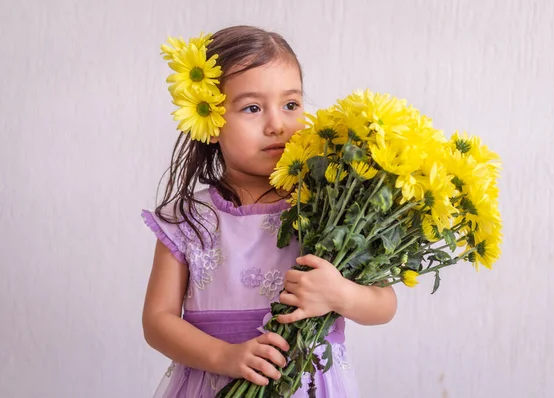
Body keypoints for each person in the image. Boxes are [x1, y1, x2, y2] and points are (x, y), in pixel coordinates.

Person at [141, 25, 397, 397]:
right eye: (253, 108)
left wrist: (339, 293)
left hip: (308, 385)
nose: (277, 124)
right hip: (212, 381)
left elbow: (384, 304)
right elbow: (157, 321)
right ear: (210, 119)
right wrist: (226, 356)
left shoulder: (328, 208)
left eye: (290, 104)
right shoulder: (189, 218)